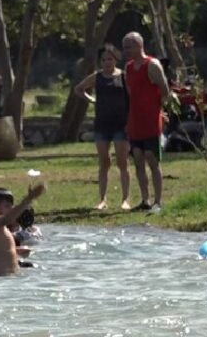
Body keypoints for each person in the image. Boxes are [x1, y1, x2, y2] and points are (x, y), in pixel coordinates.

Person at [73, 44, 131, 210]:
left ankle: (126, 199)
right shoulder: (97, 77)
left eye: (110, 59)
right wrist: (91, 99)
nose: (107, 62)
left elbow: (132, 95)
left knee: (122, 162)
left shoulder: (124, 76)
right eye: (104, 59)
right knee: (104, 162)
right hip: (102, 125)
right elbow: (78, 89)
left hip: (121, 124)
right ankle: (102, 199)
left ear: (116, 59)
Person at [122, 32, 171, 214]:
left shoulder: (152, 65)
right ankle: (145, 199)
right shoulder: (128, 67)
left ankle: (158, 201)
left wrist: (161, 112)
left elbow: (165, 91)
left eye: (129, 47)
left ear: (138, 45)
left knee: (152, 159)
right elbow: (130, 93)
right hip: (135, 121)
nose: (126, 51)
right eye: (124, 47)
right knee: (138, 160)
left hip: (151, 120)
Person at [0, 184, 46, 276]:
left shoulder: (3, 230)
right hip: (0, 280)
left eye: (11, 206)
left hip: (9, 279)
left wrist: (16, 251)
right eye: (7, 206)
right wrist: (29, 198)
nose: (11, 210)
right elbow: (7, 219)